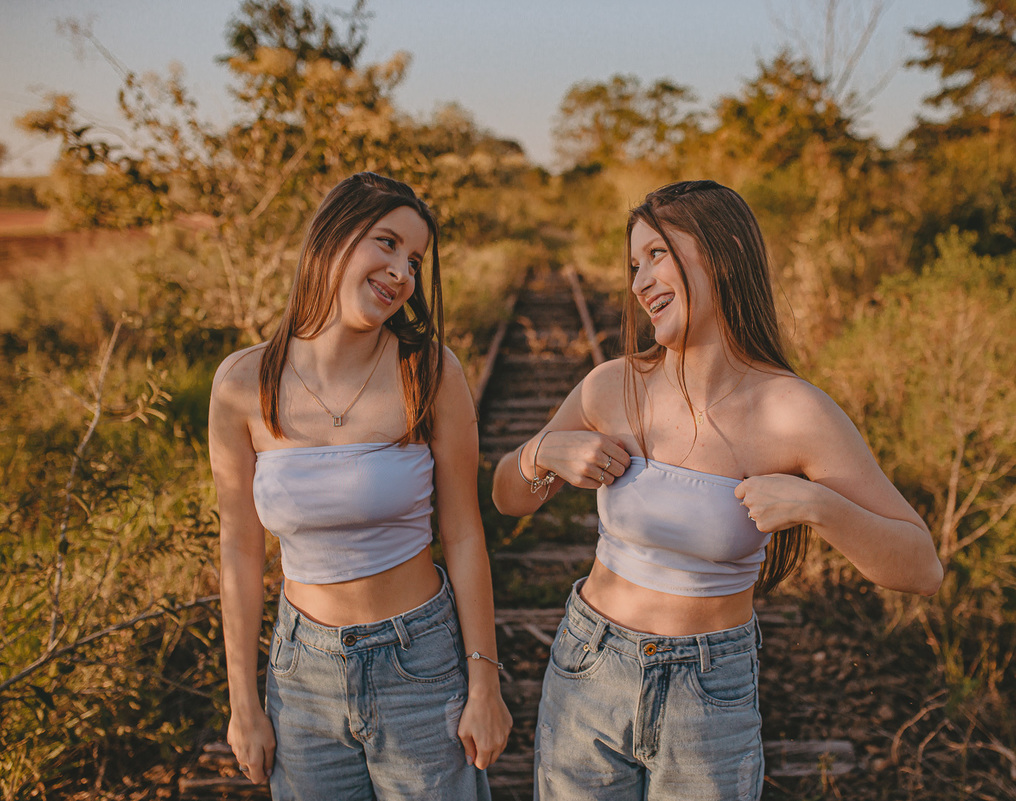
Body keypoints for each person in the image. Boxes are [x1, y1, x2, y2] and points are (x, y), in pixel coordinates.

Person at [491, 180, 943, 800]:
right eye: (632, 264)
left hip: (709, 691)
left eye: (657, 255)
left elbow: (922, 567)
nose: (639, 281)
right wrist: (539, 454)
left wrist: (820, 506)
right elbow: (506, 497)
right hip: (591, 666)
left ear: (724, 251)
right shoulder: (611, 386)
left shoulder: (794, 411)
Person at [209, 172, 511, 799]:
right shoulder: (242, 383)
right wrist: (244, 701)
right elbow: (238, 548)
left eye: (416, 259)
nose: (403, 271)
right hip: (302, 674)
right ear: (333, 239)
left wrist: (484, 682)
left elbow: (462, 532)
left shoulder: (428, 371)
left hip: (418, 660)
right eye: (387, 242)